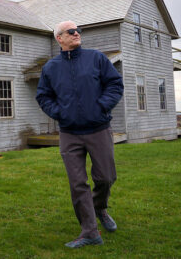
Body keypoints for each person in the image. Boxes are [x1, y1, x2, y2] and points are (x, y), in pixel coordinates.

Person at [36, 21, 124, 248]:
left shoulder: (97, 58)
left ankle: (100, 208)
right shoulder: (50, 67)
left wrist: (101, 106)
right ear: (59, 39)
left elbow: (115, 84)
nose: (77, 34)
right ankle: (90, 231)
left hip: (98, 128)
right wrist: (60, 113)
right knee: (77, 184)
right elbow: (43, 96)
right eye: (71, 32)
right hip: (69, 133)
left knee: (106, 177)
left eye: (78, 31)